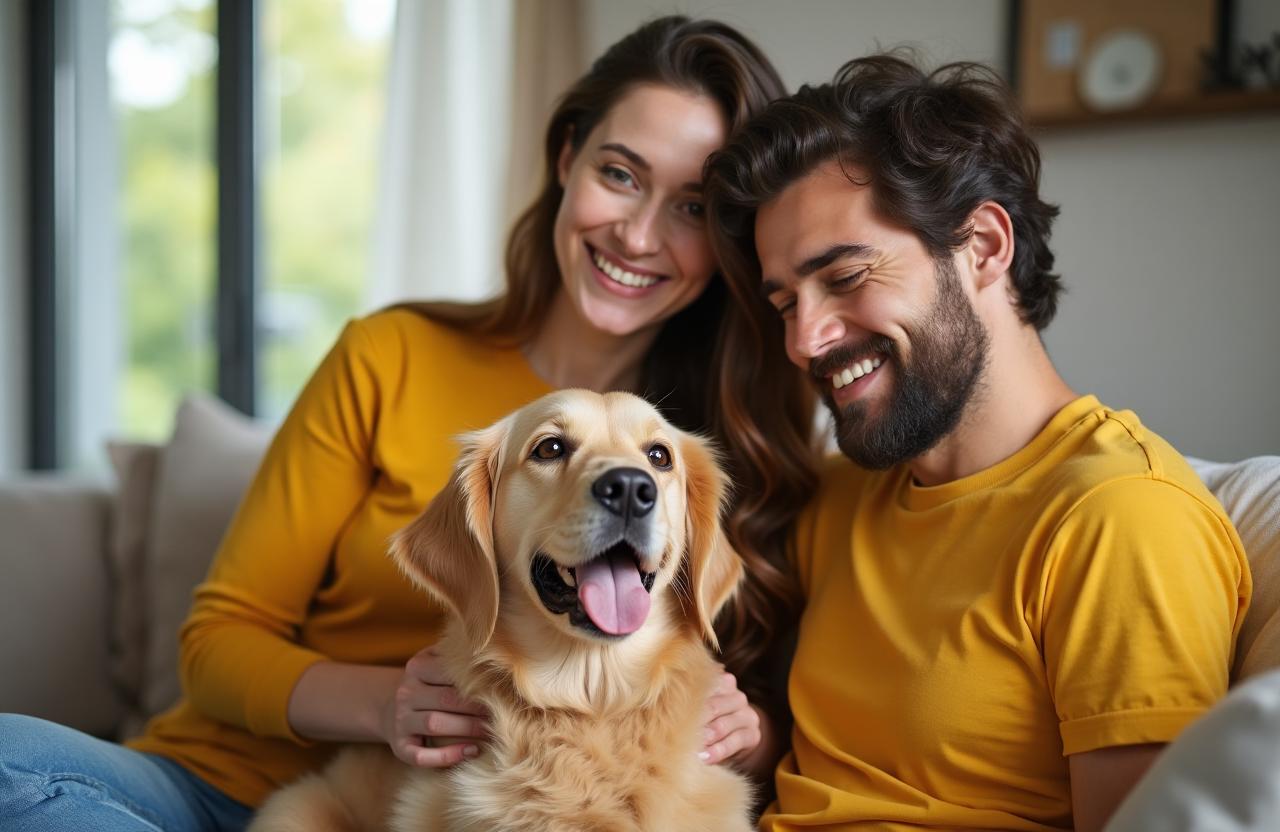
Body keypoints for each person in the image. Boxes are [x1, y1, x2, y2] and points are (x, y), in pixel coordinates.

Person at [0, 17, 817, 831]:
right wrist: (391, 703)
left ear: (726, 239)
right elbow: (216, 641)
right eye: (620, 173)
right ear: (567, 159)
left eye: (693, 207)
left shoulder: (707, 451)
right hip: (213, 793)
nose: (639, 235)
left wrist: (751, 733)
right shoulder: (388, 356)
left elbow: (779, 701)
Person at [704, 53, 1253, 831]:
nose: (804, 339)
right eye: (785, 301)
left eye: (847, 277)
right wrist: (746, 742)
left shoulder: (1121, 520)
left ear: (985, 246)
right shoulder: (843, 495)